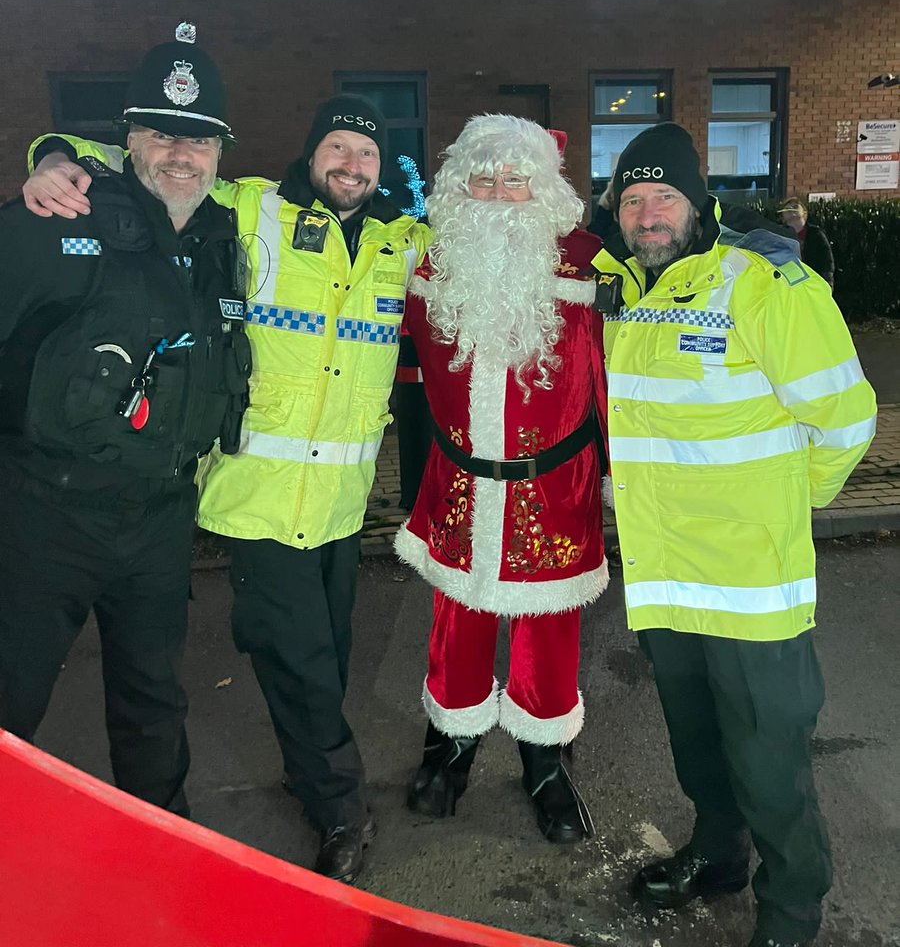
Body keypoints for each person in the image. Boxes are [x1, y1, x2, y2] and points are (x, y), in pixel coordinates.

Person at [23, 92, 431, 884]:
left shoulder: (398, 243)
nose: (351, 166)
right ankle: (341, 804)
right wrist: (54, 157)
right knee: (302, 655)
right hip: (257, 497)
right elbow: (151, 162)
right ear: (311, 154)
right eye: (338, 148)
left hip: (343, 507)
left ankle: (310, 763)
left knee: (329, 656)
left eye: (366, 156)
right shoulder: (252, 210)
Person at [591, 123, 877, 947]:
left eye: (664, 198)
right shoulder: (625, 293)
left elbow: (847, 418)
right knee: (699, 751)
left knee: (771, 766)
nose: (648, 215)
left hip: (753, 586)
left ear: (698, 203)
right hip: (666, 578)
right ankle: (717, 858)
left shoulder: (763, 288)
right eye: (633, 199)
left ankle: (791, 910)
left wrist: (787, 506)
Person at [0, 22, 251, 818]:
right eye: (162, 133)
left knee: (153, 702)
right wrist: (47, 165)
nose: (182, 153)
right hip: (46, 514)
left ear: (219, 152)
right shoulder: (60, 215)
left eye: (201, 139)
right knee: (12, 701)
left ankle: (160, 850)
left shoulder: (222, 237)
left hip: (158, 520)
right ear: (128, 141)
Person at [394, 115, 608, 844]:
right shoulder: (425, 265)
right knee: (457, 620)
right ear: (458, 186)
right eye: (482, 177)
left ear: (542, 188)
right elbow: (396, 372)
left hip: (556, 485)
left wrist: (614, 477)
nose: (497, 193)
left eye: (515, 179)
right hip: (458, 483)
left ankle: (546, 765)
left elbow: (614, 377)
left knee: (549, 631)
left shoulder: (588, 267)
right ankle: (448, 750)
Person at [778, 198, 835, 288]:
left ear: (803, 214)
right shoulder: (781, 236)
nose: (791, 211)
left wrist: (827, 286)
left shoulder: (816, 235)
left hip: (813, 284)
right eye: (788, 210)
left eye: (795, 208)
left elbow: (827, 264)